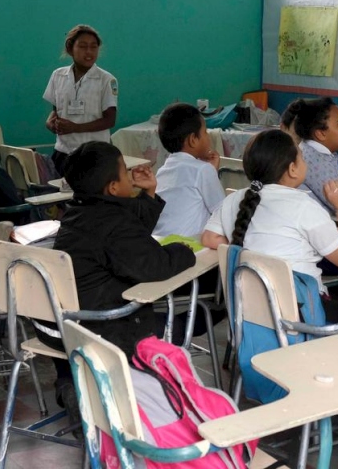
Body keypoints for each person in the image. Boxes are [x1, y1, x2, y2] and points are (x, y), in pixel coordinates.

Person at [37, 141, 197, 423]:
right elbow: (154, 265)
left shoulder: (77, 213)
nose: (130, 174)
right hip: (105, 328)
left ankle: (69, 385)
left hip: (61, 327)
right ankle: (86, 393)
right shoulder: (113, 225)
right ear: (112, 187)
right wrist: (184, 250)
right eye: (125, 171)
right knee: (199, 317)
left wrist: (148, 193)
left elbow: (126, 236)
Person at [201, 129, 338, 319]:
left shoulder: (233, 200)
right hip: (302, 316)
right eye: (301, 156)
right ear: (292, 169)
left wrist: (249, 242)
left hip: (251, 314)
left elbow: (209, 238)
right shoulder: (303, 206)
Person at [43, 24, 118, 175]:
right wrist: (50, 122)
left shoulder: (106, 80)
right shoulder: (58, 75)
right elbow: (56, 111)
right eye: (83, 46)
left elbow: (109, 120)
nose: (89, 52)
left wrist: (75, 128)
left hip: (93, 155)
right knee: (61, 196)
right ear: (70, 49)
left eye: (93, 47)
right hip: (63, 152)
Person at [153, 103, 225, 237]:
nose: (207, 136)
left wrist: (211, 172)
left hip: (160, 242)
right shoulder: (202, 170)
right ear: (193, 140)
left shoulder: (163, 170)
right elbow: (221, 211)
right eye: (205, 132)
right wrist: (210, 171)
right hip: (189, 248)